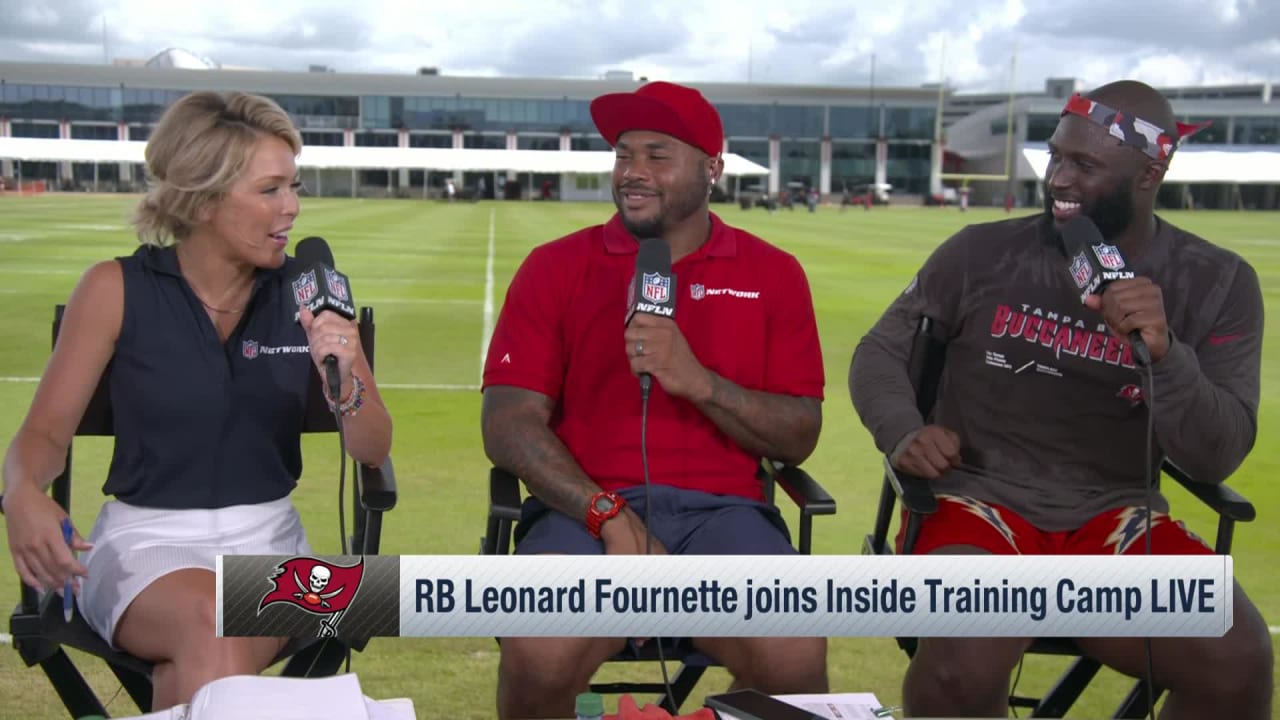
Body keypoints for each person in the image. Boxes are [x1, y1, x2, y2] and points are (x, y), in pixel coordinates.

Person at [849, 79, 1271, 718]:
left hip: (1117, 520)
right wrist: (902, 429)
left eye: (1085, 165)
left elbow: (1218, 456)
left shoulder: (1218, 281)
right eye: (1055, 156)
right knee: (965, 656)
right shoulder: (979, 251)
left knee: (1238, 658)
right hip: (977, 504)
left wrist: (1166, 354)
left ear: (1151, 172)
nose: (1058, 179)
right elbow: (879, 352)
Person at [1, 91, 392, 711]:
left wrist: (344, 375)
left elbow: (372, 448)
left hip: (276, 547)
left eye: (294, 186)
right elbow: (43, 436)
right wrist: (21, 494)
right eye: (270, 190)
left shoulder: (313, 291)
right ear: (204, 197)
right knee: (215, 622)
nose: (291, 207)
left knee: (210, 646)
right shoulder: (112, 289)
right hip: (142, 546)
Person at [481, 80, 828, 719]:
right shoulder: (554, 267)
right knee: (537, 650)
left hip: (726, 519)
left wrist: (699, 382)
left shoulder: (773, 273)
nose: (632, 173)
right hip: (580, 515)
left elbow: (799, 432)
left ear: (712, 169)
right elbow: (507, 424)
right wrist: (607, 514)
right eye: (623, 154)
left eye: (657, 155)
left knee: (794, 655)